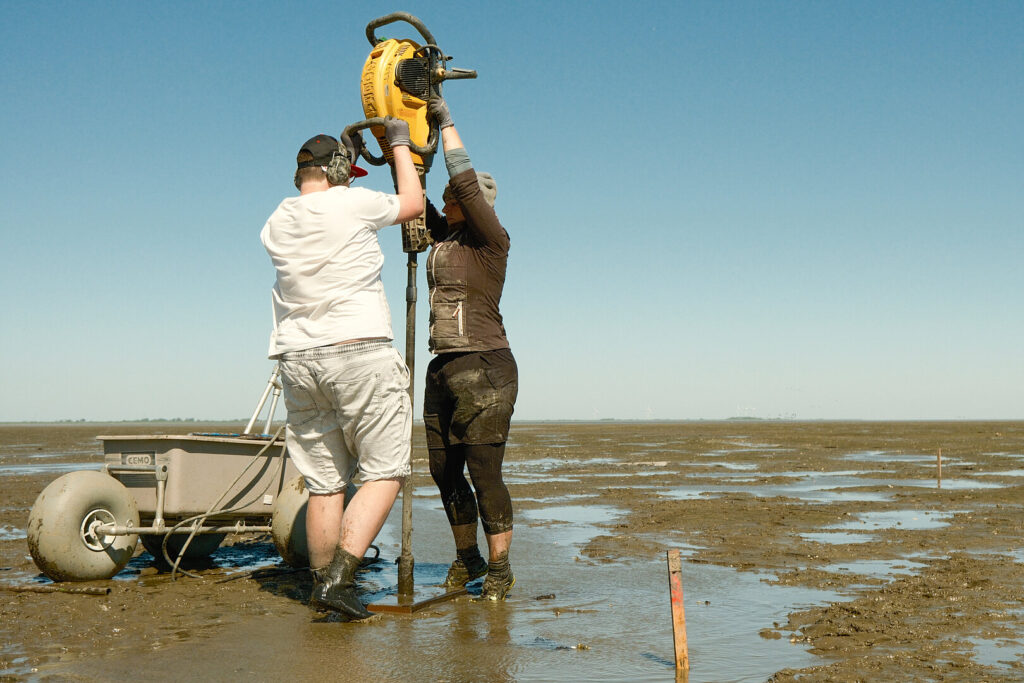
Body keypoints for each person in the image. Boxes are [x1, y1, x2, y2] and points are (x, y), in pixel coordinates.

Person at [260, 118, 423, 620]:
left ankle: (322, 588)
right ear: (335, 171)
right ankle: (338, 580)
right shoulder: (354, 202)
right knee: (385, 471)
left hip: (297, 359)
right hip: (359, 350)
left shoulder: (276, 221)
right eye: (347, 172)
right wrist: (398, 145)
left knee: (324, 483)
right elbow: (412, 202)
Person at [422, 94, 519, 601]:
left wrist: (447, 122)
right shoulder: (447, 237)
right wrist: (405, 143)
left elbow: (461, 178)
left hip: (485, 367)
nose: (448, 195)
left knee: (484, 474)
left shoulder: (490, 240)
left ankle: (500, 569)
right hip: (443, 369)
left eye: (457, 195)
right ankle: (468, 557)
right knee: (443, 471)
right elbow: (416, 196)